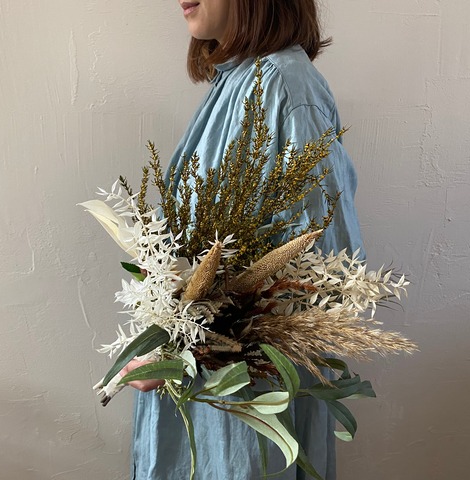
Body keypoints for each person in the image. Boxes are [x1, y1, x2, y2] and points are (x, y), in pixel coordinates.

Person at [124, 1, 364, 478]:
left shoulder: (283, 85)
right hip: (210, 400)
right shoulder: (236, 81)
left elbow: (323, 275)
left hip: (242, 408)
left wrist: (178, 351)